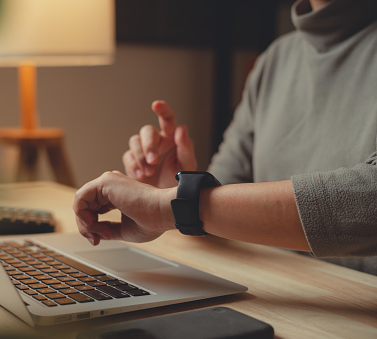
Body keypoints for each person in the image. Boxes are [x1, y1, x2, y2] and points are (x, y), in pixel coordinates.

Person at [73, 0, 377, 274]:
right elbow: (224, 196)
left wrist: (168, 206)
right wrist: (175, 185)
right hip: (279, 294)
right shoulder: (277, 59)